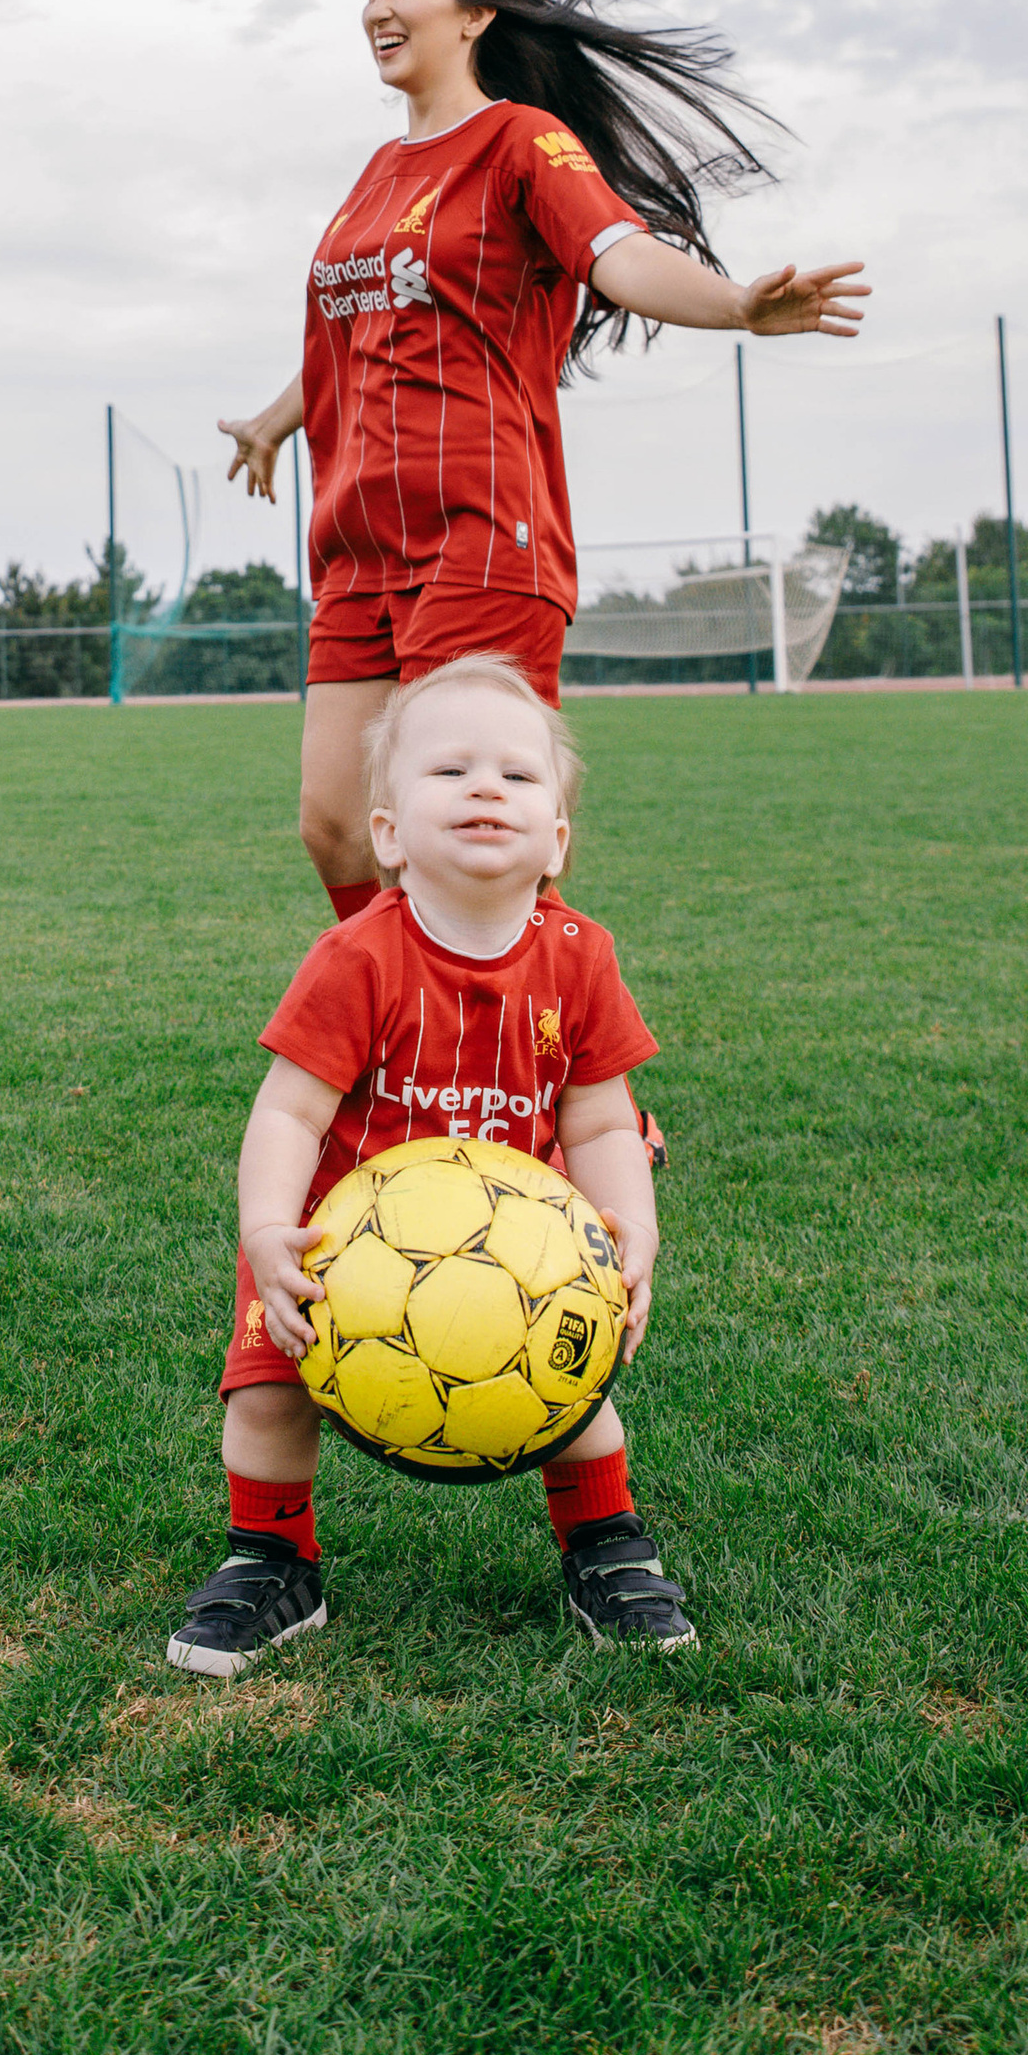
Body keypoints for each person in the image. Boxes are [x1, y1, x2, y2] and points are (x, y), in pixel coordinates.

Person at [219, 0, 867, 918]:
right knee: (338, 826)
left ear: (475, 13)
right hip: (356, 544)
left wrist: (738, 305)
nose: (377, 11)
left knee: (473, 834)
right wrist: (274, 418)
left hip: (481, 537)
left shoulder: (523, 142)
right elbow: (365, 326)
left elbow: (618, 254)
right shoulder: (374, 178)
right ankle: (419, 1032)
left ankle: (533, 1047)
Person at [167, 653, 692, 1677]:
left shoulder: (580, 955)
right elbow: (286, 1111)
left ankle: (608, 1549)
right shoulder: (356, 958)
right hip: (339, 1240)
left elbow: (597, 1118)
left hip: (522, 1251)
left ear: (559, 841)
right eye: (448, 771)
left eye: (517, 775)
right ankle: (272, 1559)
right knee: (268, 1397)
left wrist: (634, 1225)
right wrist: (269, 1231)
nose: (485, 787)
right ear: (389, 835)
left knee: (573, 1394)